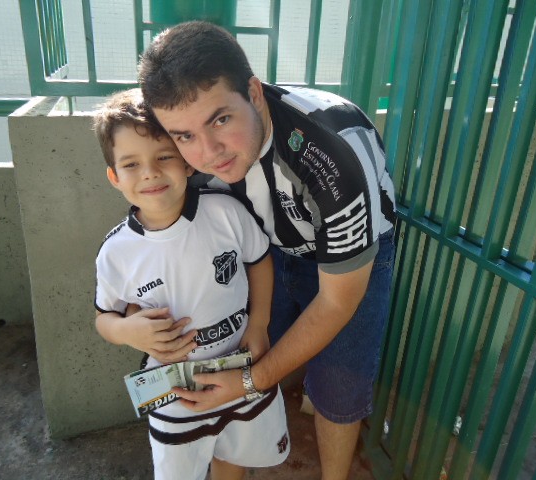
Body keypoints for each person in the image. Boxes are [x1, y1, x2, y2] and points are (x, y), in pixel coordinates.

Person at [138, 21, 396, 480]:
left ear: (255, 93)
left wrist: (251, 380)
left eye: (220, 119)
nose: (208, 152)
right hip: (269, 247)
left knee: (339, 384)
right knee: (244, 352)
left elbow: (338, 301)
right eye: (183, 135)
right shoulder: (185, 154)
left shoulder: (331, 156)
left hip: (352, 253)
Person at [92, 89, 290, 480]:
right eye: (131, 164)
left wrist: (259, 323)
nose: (149, 172)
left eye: (164, 156)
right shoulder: (116, 252)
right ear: (114, 177)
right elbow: (103, 318)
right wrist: (126, 331)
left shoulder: (225, 213)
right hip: (175, 396)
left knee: (233, 455)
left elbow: (260, 260)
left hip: (240, 369)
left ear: (186, 163)